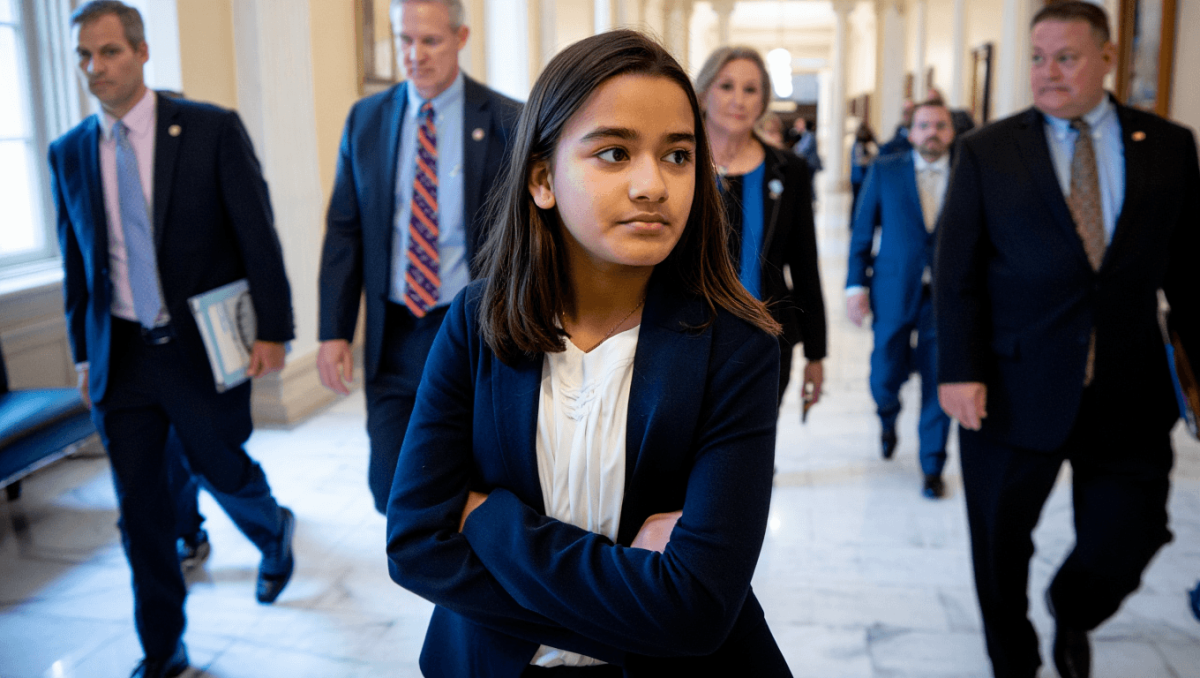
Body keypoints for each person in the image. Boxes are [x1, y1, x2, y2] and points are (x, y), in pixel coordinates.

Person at [385, 29, 793, 677]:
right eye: (613, 153)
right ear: (543, 178)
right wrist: (642, 602)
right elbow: (413, 544)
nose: (651, 184)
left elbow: (699, 607)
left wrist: (487, 521)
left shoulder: (738, 348)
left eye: (678, 156)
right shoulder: (477, 321)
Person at [934, 3, 1199, 677]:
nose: (1047, 73)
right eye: (1036, 57)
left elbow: (1191, 271)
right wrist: (958, 369)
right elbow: (956, 271)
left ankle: (1072, 608)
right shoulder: (987, 150)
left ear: (1108, 59)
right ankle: (1014, 661)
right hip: (1009, 385)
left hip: (1129, 388)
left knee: (1131, 534)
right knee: (998, 544)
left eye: (1066, 57)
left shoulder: (1168, 145)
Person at [50, 2, 298, 676]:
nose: (94, 69)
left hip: (197, 348)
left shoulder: (210, 130)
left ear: (140, 52)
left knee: (220, 465)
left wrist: (274, 330)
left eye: (108, 53)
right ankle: (163, 649)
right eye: (83, 56)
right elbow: (77, 267)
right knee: (141, 511)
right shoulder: (69, 151)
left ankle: (274, 530)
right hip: (121, 359)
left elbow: (257, 233)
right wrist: (82, 351)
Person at [317, 0, 521, 513]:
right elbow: (344, 230)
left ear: (461, 37)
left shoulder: (505, 121)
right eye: (404, 40)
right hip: (394, 332)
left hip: (470, 327)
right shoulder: (367, 119)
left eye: (429, 41)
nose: (414, 55)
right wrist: (333, 331)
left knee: (471, 471)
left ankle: (464, 575)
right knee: (390, 487)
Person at [694, 46, 827, 407]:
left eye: (750, 89)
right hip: (688, 340)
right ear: (704, 93)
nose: (738, 99)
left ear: (763, 100)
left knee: (753, 456)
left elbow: (804, 264)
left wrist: (816, 354)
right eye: (726, 86)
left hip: (765, 342)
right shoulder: (678, 163)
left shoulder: (789, 169)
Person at [847, 100, 955, 499]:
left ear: (951, 132)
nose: (933, 133)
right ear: (911, 132)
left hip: (946, 299)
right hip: (892, 289)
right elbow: (862, 234)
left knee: (938, 376)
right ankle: (887, 416)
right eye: (925, 125)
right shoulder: (886, 170)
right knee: (884, 373)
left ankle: (932, 465)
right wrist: (854, 287)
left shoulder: (966, 174)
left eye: (941, 126)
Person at [848, 121, 876, 223]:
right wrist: (871, 158)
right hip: (858, 177)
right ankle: (854, 221)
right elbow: (859, 160)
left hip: (859, 177)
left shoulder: (860, 144)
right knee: (857, 200)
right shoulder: (858, 145)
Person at [790, 116, 823, 197]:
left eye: (797, 126)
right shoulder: (803, 137)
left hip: (809, 164)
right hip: (806, 163)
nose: (796, 128)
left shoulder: (809, 136)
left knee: (808, 183)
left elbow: (804, 149)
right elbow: (797, 148)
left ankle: (811, 199)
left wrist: (795, 155)